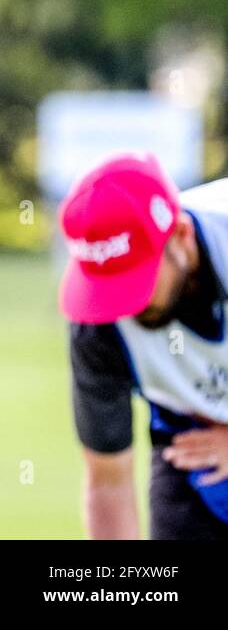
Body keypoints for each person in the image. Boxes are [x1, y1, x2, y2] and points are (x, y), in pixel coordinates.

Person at [59, 151, 228, 539]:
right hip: (191, 437)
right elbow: (108, 481)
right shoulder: (96, 323)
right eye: (107, 286)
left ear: (181, 236)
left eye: (136, 280)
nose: (122, 306)